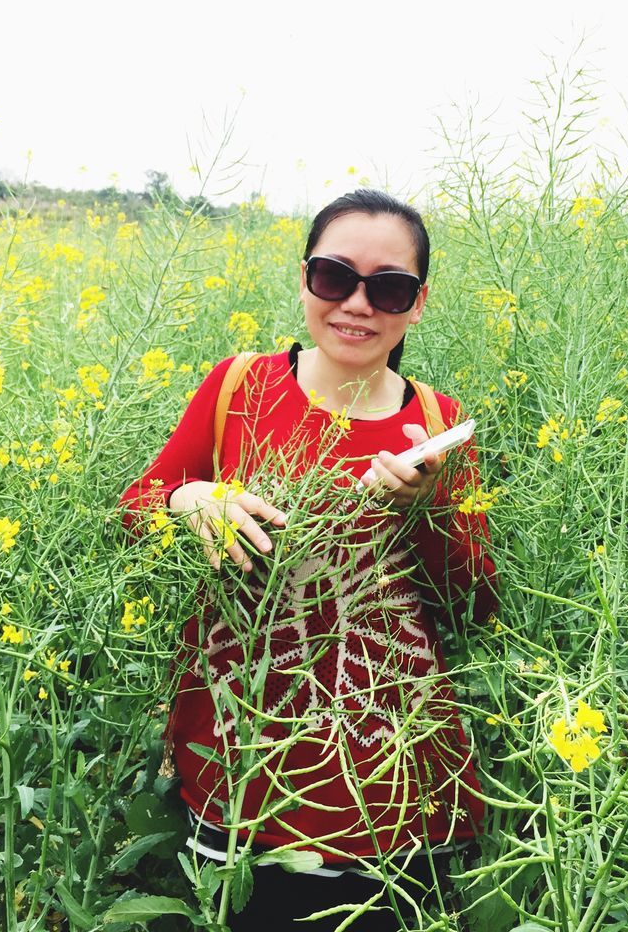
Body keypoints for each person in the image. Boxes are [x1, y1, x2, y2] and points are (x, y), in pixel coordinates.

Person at [120, 189, 498, 929]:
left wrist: (422, 509)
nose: (357, 304)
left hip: (388, 771)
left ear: (418, 304)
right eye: (334, 278)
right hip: (236, 748)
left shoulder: (439, 424)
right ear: (304, 280)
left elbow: (470, 603)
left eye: (388, 286)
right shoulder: (239, 387)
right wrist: (187, 501)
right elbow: (137, 506)